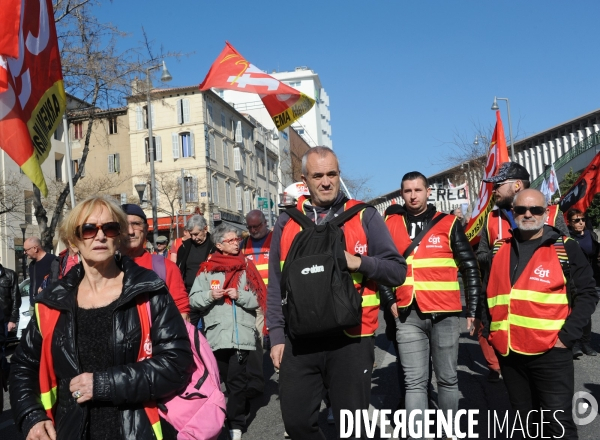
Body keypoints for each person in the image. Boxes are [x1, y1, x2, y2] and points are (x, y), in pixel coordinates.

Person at [9, 196, 192, 440]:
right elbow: (23, 366)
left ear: (118, 236)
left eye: (109, 227)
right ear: (74, 241)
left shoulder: (148, 290)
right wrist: (31, 416)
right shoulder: (52, 303)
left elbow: (177, 363)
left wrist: (105, 384)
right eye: (88, 229)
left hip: (136, 431)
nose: (100, 236)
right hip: (70, 430)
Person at [267, 147, 406, 439]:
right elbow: (276, 284)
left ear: (339, 176)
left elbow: (396, 271)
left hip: (351, 340)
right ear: (305, 180)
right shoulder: (286, 221)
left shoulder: (364, 215)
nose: (326, 181)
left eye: (332, 174)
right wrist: (276, 336)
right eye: (318, 175)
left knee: (352, 428)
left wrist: (358, 262)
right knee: (296, 423)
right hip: (299, 340)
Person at [480, 189, 598, 439]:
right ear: (513, 213)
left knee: (558, 424)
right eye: (521, 209)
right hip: (509, 352)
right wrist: (489, 329)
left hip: (551, 352)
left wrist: (567, 338)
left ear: (546, 213)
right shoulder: (500, 248)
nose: (528, 214)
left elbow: (588, 294)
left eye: (535, 209)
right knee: (525, 424)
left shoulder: (565, 248)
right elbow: (487, 294)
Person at [382, 171, 480, 437]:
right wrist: (389, 299)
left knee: (447, 379)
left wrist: (472, 309)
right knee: (414, 383)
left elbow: (469, 266)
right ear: (401, 194)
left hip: (445, 314)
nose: (413, 196)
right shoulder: (390, 224)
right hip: (407, 314)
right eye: (407, 191)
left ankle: (448, 432)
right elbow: (379, 267)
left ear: (428, 192)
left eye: (418, 190)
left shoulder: (448, 223)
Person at [475, 161, 569, 382]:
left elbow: (571, 262)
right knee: (521, 406)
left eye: (498, 185)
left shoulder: (552, 213)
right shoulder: (491, 218)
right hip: (507, 333)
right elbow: (480, 255)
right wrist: (503, 256)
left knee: (552, 409)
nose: (494, 190)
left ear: (517, 185)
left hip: (548, 336)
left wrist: (567, 337)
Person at [189, 224, 266, 440]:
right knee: (224, 379)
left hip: (242, 335)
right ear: (219, 244)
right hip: (216, 335)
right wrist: (209, 296)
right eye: (231, 241)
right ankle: (236, 408)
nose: (237, 243)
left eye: (237, 240)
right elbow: (193, 300)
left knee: (237, 380)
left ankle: (235, 424)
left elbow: (259, 298)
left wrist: (239, 295)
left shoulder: (246, 266)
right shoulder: (206, 269)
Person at [120, 204, 190, 320]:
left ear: (146, 229)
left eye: (136, 224)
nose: (130, 231)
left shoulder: (166, 267)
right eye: (124, 225)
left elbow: (182, 312)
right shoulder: (105, 269)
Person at [241, 210, 271, 399]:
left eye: (257, 226)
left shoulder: (277, 239)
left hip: (278, 299)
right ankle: (256, 381)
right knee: (255, 342)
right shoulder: (244, 244)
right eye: (250, 227)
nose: (253, 230)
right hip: (256, 301)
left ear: (265, 222)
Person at [566, 208, 599, 357]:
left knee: (587, 310)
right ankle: (575, 343)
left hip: (591, 276)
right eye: (576, 220)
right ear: (570, 223)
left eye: (583, 220)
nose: (580, 223)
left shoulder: (591, 235)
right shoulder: (568, 239)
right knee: (575, 310)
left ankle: (586, 343)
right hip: (574, 278)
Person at [177, 215, 214, 293]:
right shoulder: (184, 247)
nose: (193, 238)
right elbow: (179, 271)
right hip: (188, 292)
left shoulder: (215, 246)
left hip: (209, 292)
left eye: (196, 234)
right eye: (191, 235)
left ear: (205, 229)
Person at [24, 237, 57, 314]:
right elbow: (32, 284)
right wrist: (32, 301)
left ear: (35, 248)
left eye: (26, 250)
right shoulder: (32, 265)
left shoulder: (53, 260)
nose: (24, 253)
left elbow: (58, 283)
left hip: (49, 306)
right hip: (34, 305)